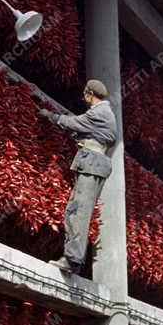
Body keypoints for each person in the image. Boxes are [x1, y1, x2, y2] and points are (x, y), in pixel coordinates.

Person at [38, 79, 118, 274]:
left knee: (78, 211)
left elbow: (76, 122)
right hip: (94, 163)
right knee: (75, 211)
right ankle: (73, 259)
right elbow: (82, 131)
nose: (84, 99)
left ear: (90, 94)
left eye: (85, 95)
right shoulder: (104, 113)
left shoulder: (99, 112)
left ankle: (72, 259)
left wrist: (51, 116)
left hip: (91, 164)